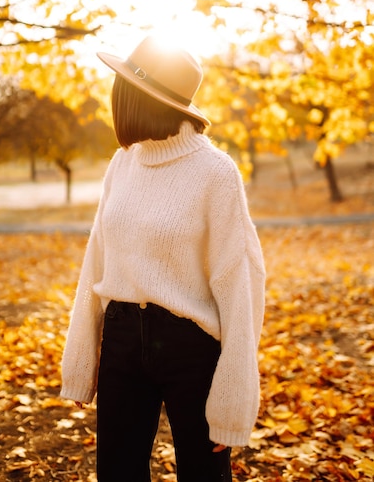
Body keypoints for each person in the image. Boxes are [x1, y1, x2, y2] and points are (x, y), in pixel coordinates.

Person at [60, 36, 266, 482]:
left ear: (140, 98)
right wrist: (81, 361)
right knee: (117, 473)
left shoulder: (216, 173)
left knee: (203, 475)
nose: (114, 95)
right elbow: (96, 261)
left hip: (190, 348)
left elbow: (239, 283)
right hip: (120, 342)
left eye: (122, 86)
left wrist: (234, 397)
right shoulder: (122, 163)